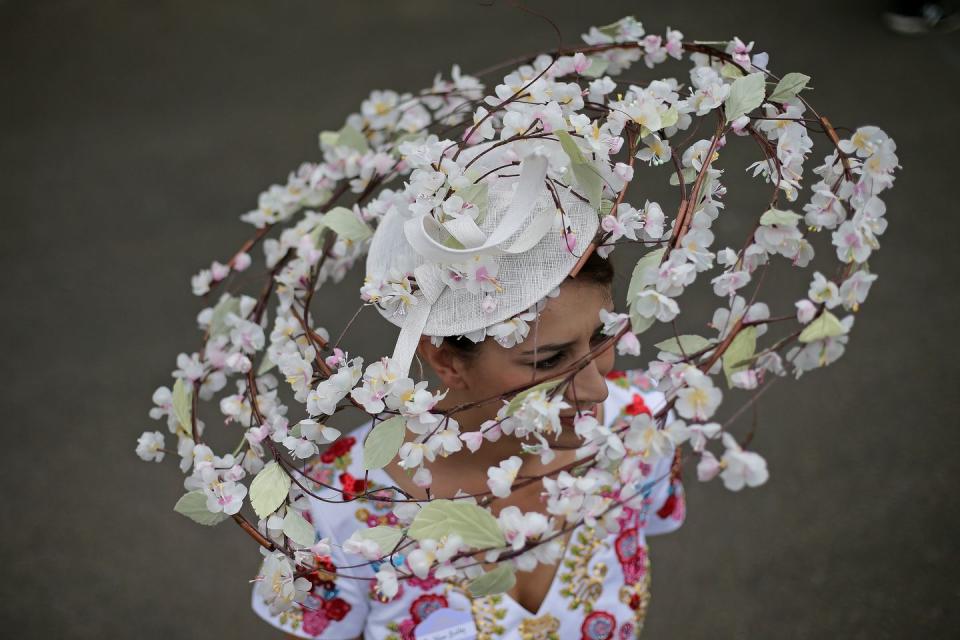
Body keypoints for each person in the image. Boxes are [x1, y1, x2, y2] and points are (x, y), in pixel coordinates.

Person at [251, 142, 685, 638]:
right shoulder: (333, 509)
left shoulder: (640, 429)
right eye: (548, 359)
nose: (596, 390)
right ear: (446, 361)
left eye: (602, 336)